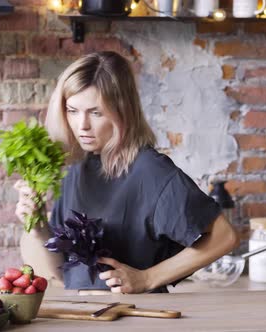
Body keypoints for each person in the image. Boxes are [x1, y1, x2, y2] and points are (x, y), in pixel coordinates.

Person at [14, 51, 239, 294]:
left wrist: (148, 278)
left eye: (96, 112)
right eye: (72, 110)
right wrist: (36, 227)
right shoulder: (77, 168)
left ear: (123, 110)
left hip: (137, 318)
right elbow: (57, 273)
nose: (82, 125)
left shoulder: (150, 171)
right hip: (82, 314)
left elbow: (224, 237)